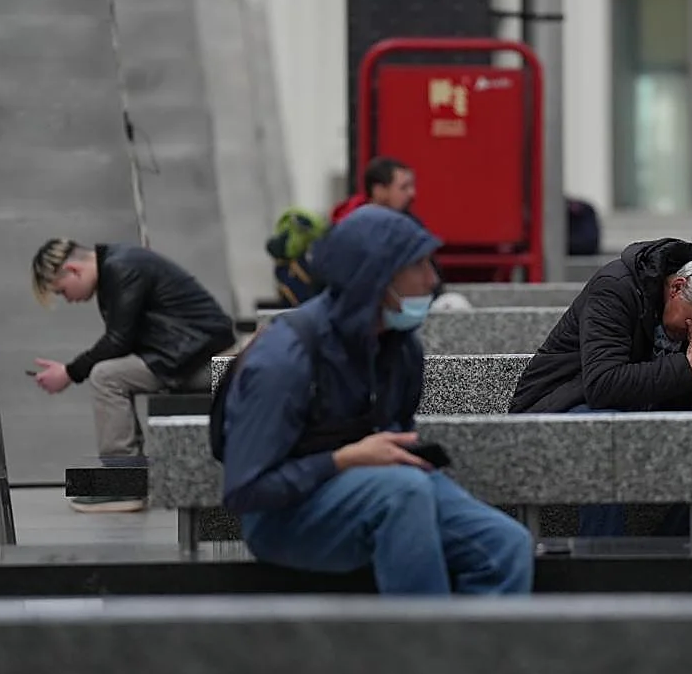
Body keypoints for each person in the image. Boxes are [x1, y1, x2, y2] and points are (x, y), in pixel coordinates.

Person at [220, 205, 533, 595]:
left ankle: (470, 654)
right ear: (377, 279)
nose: (432, 280)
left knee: (506, 545)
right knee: (402, 491)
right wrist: (342, 460)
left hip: (383, 491)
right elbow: (244, 490)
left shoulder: (401, 348)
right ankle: (421, 648)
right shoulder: (285, 359)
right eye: (418, 265)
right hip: (283, 518)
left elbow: (395, 440)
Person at [509, 237, 692, 537]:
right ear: (676, 288)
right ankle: (605, 568)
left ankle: (663, 559)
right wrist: (686, 368)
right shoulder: (616, 287)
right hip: (561, 407)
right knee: (604, 435)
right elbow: (602, 384)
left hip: (643, 414)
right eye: (690, 323)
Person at [30, 239, 235, 513]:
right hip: (193, 355)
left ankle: (124, 484)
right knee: (109, 372)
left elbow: (117, 341)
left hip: (209, 362)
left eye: (62, 290)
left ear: (74, 269)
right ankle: (127, 477)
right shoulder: (119, 264)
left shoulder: (121, 268)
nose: (67, 299)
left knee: (105, 376)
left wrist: (69, 372)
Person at [331, 156, 471, 310]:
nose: (412, 193)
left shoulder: (411, 226)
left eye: (412, 186)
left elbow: (433, 279)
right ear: (379, 191)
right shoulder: (350, 231)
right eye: (404, 188)